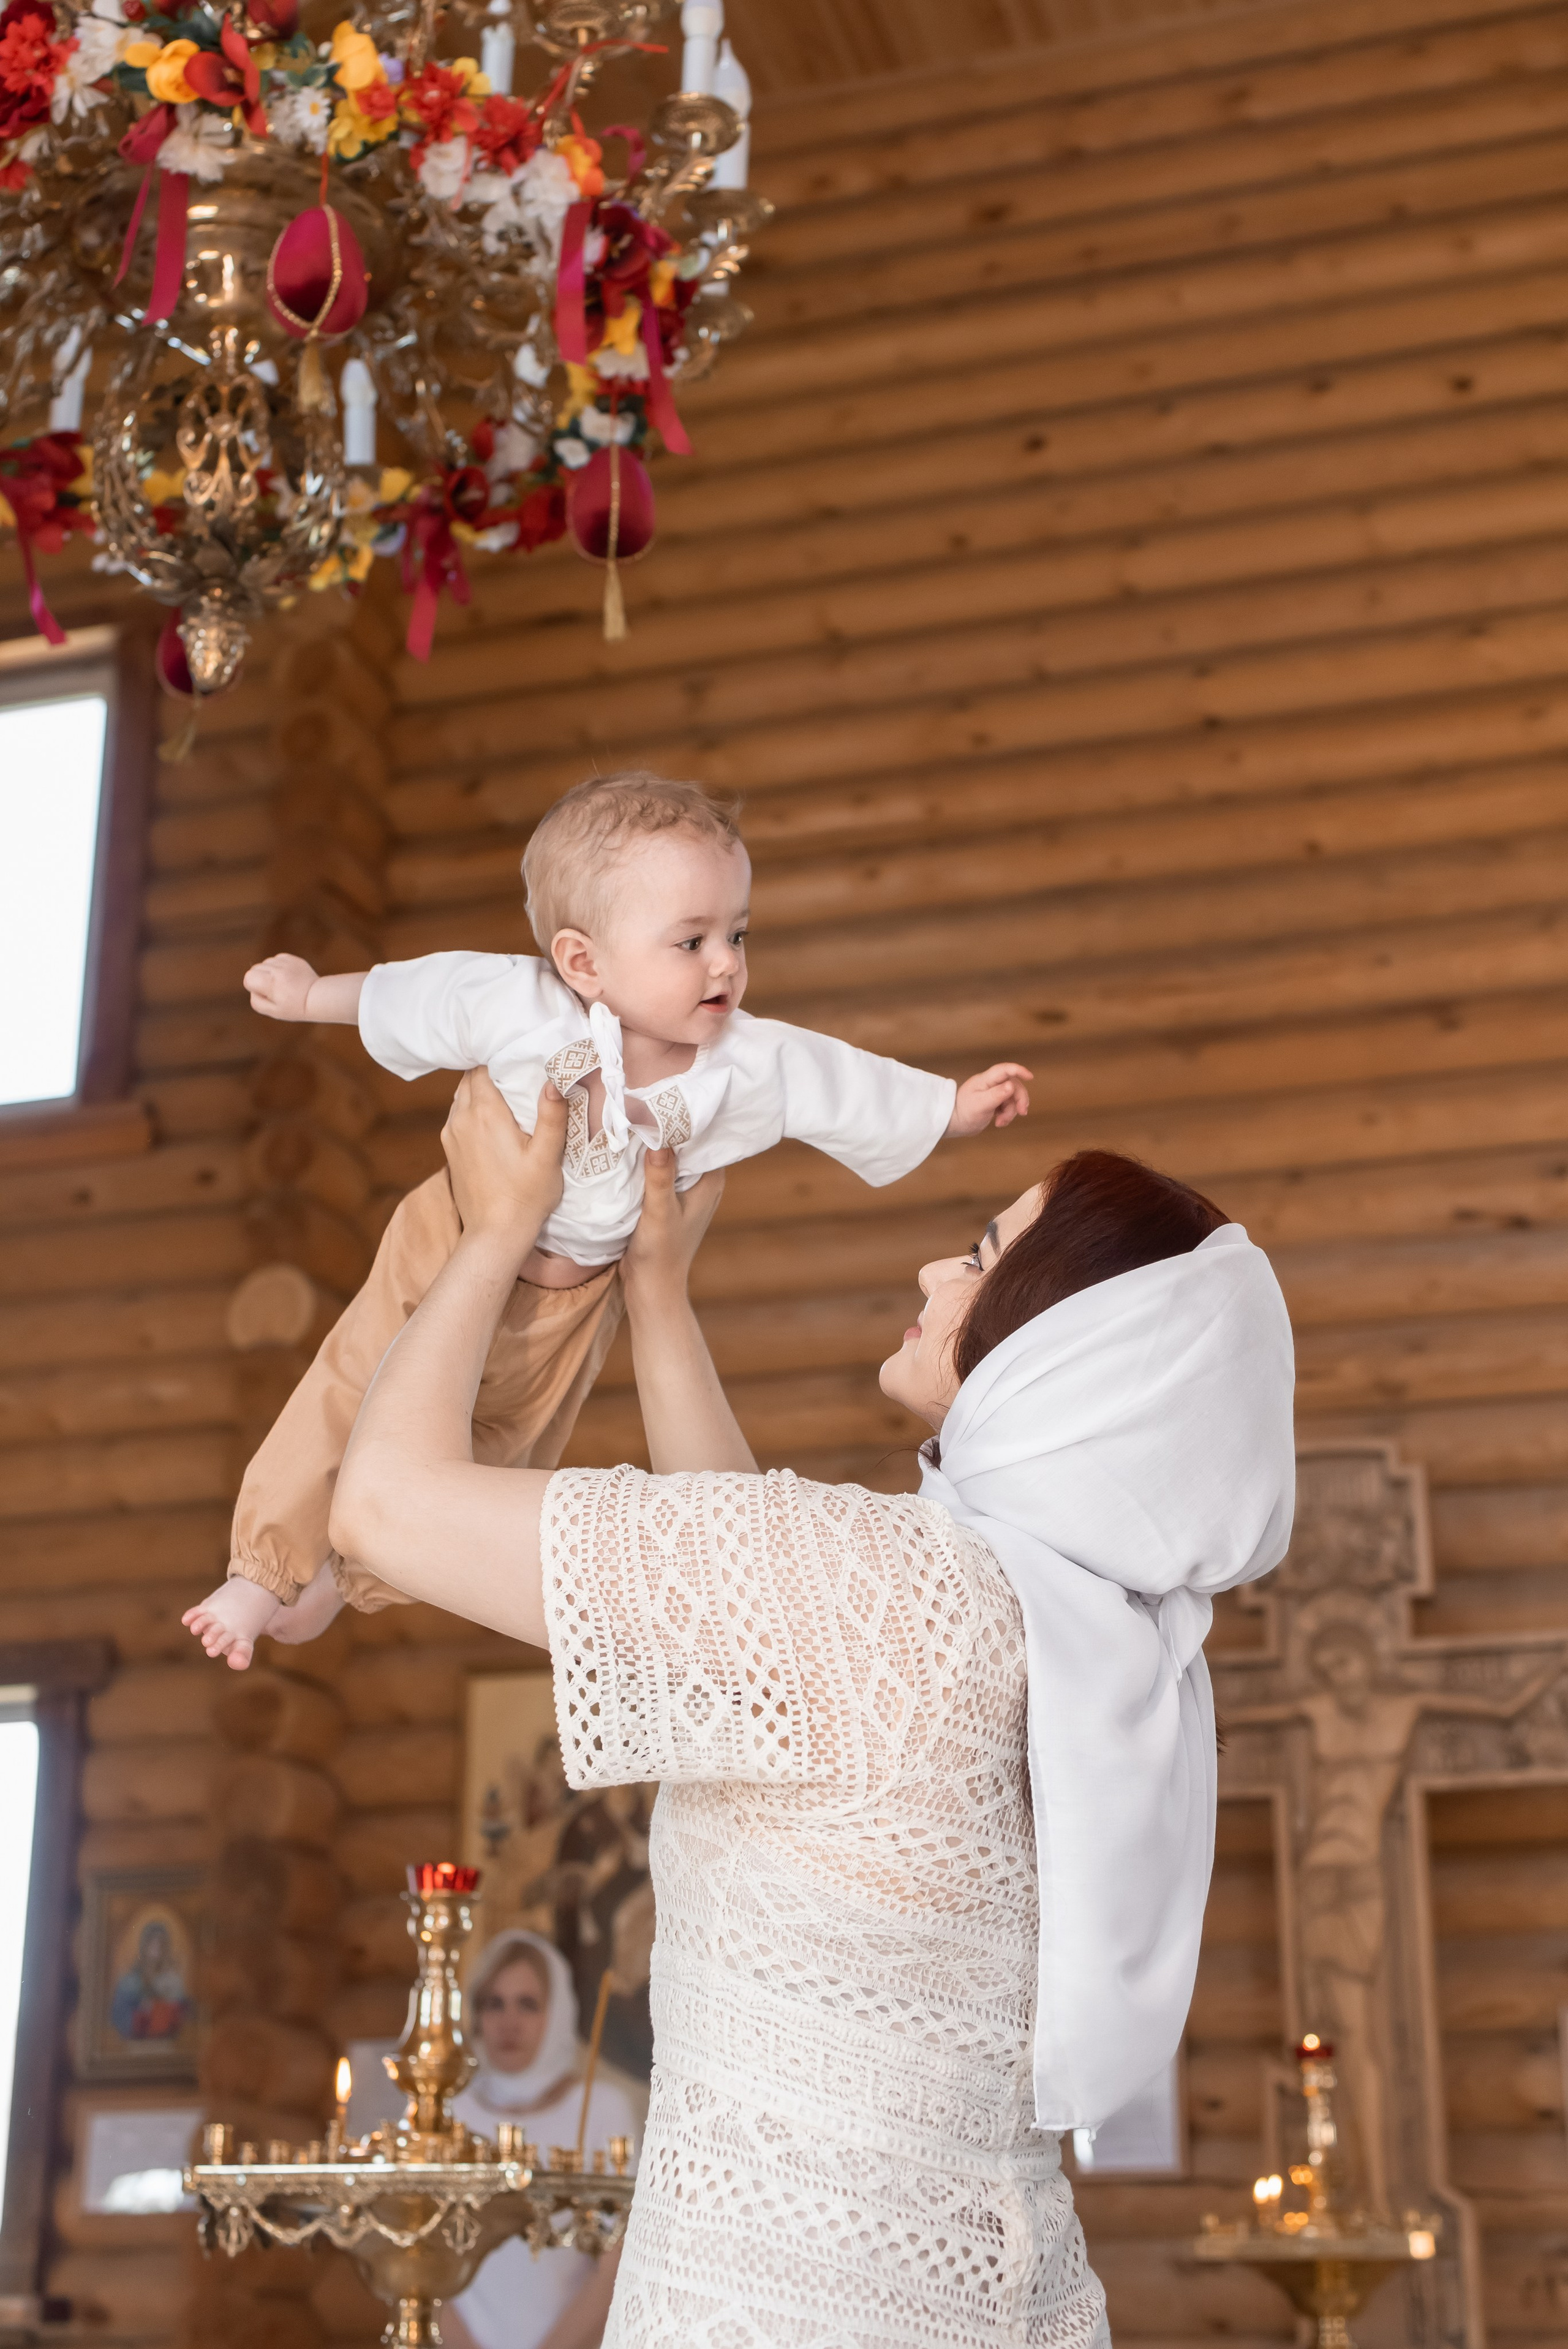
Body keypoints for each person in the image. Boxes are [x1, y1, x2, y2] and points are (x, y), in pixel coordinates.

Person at [325, 1072, 1296, 2345]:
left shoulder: (894, 1593)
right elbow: (759, 1627)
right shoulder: (1082, 1631)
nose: (931, 1272)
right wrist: (658, 1298)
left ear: (1059, 1340)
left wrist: (494, 1227)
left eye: (979, 1254)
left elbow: (382, 1507)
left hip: (782, 2306)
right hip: (987, 2297)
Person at [184, 769, 1032, 1670]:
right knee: (353, 1385)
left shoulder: (743, 1061)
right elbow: (415, 996)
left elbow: (844, 1084)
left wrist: (949, 1105)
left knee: (504, 1445)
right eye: (692, 940)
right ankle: (262, 1567)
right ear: (583, 960)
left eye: (737, 934)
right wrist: (314, 994)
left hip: (581, 1300)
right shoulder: (521, 1004)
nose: (727, 964)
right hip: (452, 1239)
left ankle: (343, 1582)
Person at [442, 1929, 638, 2349]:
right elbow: (419, 2254)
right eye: (494, 2003)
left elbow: (619, 2258)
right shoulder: (447, 2110)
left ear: (557, 2012)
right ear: (475, 2013)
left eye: (527, 2004)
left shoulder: (601, 2107)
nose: (509, 2021)